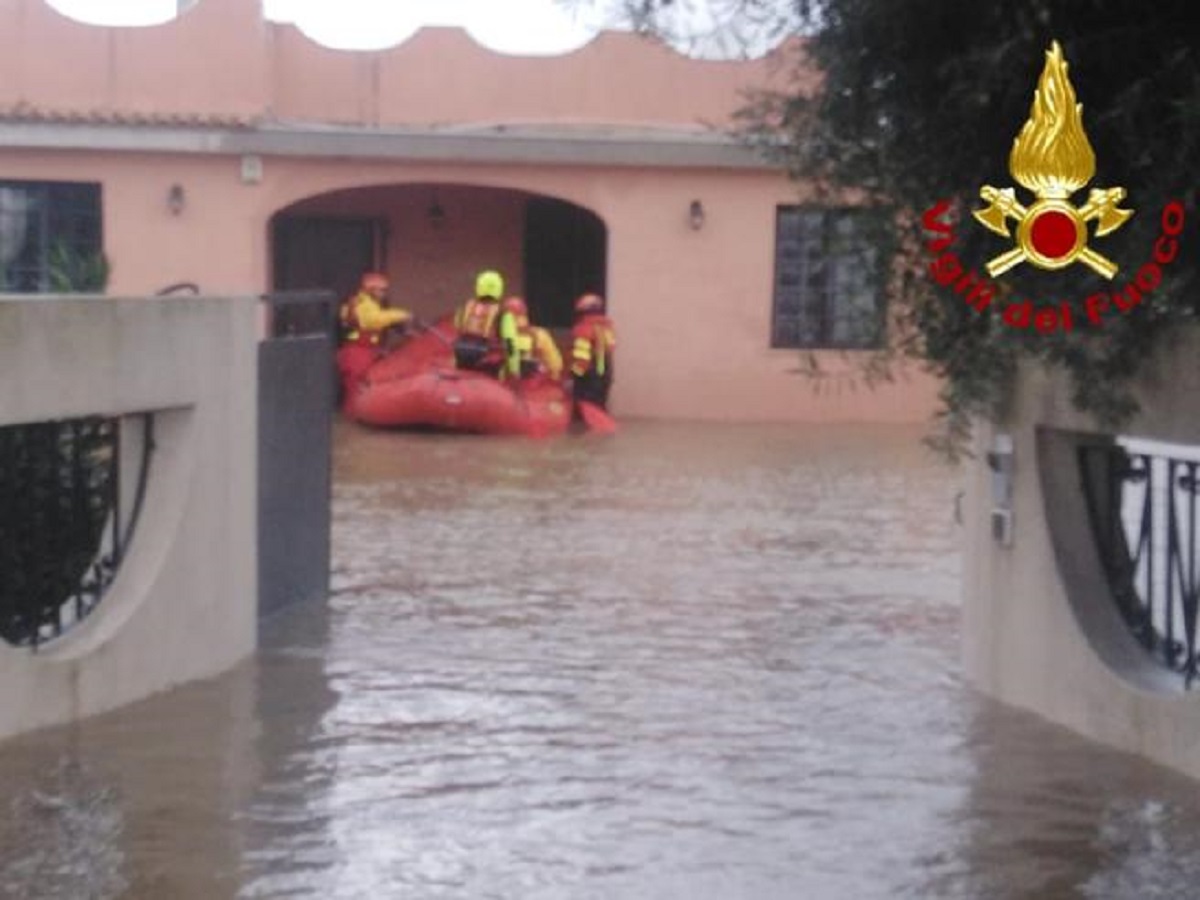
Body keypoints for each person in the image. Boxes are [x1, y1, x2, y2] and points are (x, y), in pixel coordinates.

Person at [336, 271, 411, 405]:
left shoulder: (371, 304)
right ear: (371, 289)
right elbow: (373, 319)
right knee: (356, 382)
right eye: (381, 290)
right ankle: (354, 411)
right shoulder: (361, 303)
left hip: (368, 349)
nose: (384, 293)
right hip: (356, 350)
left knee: (365, 381)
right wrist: (401, 314)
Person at [453, 269, 507, 374]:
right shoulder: (502, 313)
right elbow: (510, 343)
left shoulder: (466, 307)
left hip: (462, 355)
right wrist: (514, 371)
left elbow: (457, 326)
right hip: (488, 361)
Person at [569, 292, 616, 411]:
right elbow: (609, 349)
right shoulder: (607, 328)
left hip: (588, 379)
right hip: (605, 376)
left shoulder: (583, 329)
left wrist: (571, 376)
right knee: (599, 411)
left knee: (582, 415)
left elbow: (582, 360)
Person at [498, 296, 563, 381]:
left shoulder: (497, 336)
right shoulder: (540, 334)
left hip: (503, 385)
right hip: (533, 387)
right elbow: (555, 365)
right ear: (525, 312)